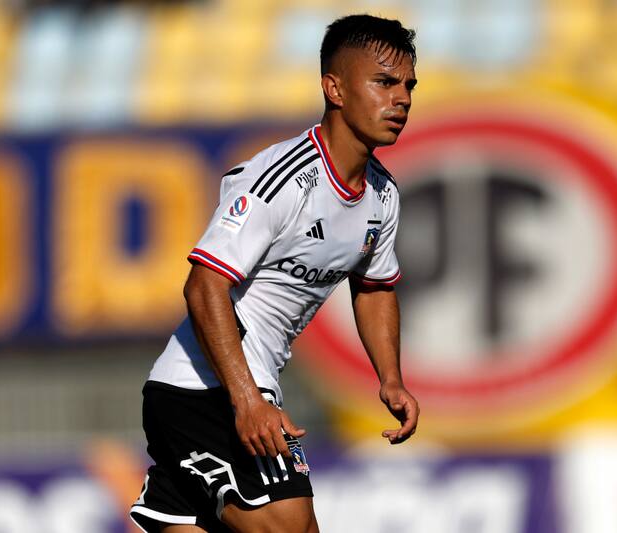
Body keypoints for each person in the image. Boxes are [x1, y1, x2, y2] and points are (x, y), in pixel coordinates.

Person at [129, 14, 419, 533]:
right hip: (206, 389)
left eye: (408, 86)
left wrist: (390, 378)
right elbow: (203, 285)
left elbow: (373, 287)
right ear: (334, 87)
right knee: (292, 527)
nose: (400, 99)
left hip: (242, 389)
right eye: (384, 82)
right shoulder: (281, 179)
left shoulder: (383, 195)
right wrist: (247, 401)